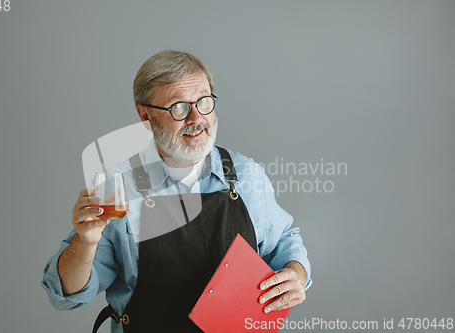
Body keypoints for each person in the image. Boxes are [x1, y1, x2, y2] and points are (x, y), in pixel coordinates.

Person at [42, 50, 312, 332]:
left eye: (203, 101)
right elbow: (66, 297)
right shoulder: (117, 187)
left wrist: (296, 271)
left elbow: (283, 238)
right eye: (178, 107)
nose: (197, 117)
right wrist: (85, 242)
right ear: (145, 115)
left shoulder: (245, 175)